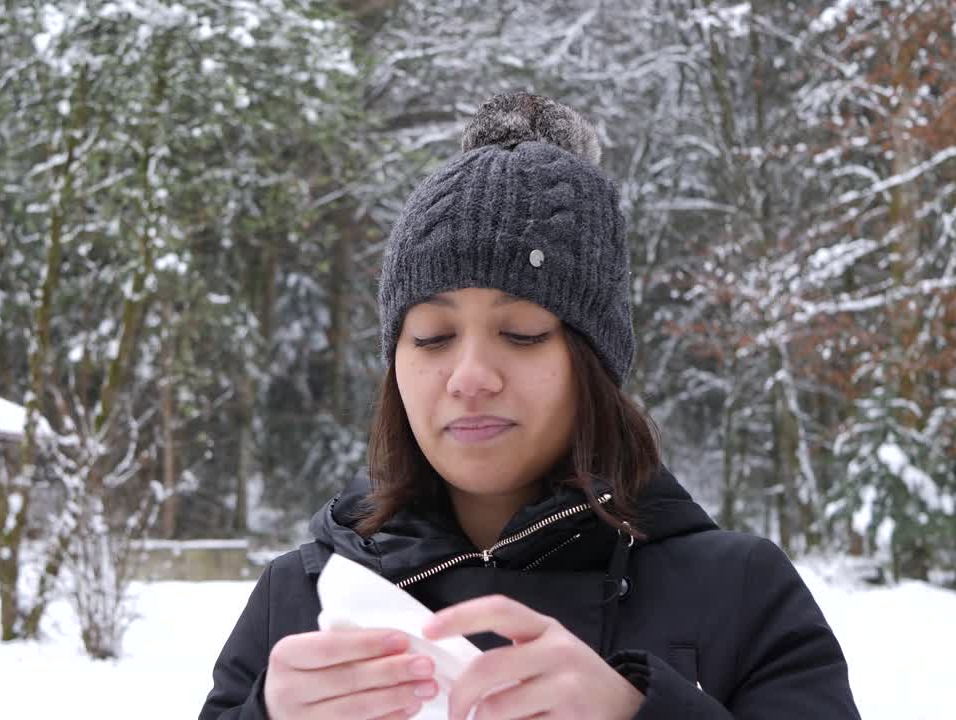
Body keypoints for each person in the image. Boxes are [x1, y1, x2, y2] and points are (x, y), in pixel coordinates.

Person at [200, 92, 860, 720]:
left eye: (522, 333)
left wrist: (635, 712)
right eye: (432, 336)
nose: (469, 377)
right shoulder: (297, 598)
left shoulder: (737, 593)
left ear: (594, 360)